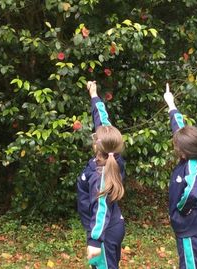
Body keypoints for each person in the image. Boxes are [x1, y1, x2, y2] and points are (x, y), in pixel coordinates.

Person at [163, 83, 197, 269]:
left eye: (177, 146)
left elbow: (192, 195)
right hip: (187, 227)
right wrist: (171, 104)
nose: (175, 147)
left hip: (189, 229)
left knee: (191, 265)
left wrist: (179, 214)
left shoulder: (192, 169)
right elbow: (179, 128)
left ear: (185, 151)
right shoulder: (192, 154)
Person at [77, 81, 126, 269]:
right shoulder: (113, 153)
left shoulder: (101, 175)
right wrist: (95, 96)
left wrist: (95, 240)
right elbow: (103, 121)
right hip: (110, 227)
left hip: (104, 231)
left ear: (97, 145)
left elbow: (101, 207)